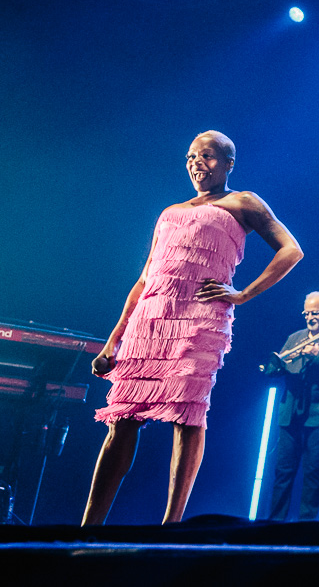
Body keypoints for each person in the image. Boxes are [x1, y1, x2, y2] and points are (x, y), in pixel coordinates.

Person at [83, 131, 303, 525]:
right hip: (150, 321)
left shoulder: (243, 202)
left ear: (229, 163)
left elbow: (291, 249)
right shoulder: (170, 212)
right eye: (190, 157)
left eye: (207, 155)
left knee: (187, 416)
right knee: (122, 420)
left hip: (200, 319)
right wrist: (113, 340)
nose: (197, 162)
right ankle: (89, 527)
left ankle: (172, 526)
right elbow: (145, 278)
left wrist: (243, 294)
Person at [264, 291, 319, 521]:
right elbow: (279, 365)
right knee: (283, 470)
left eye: (315, 313)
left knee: (313, 471)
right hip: (291, 411)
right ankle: (274, 522)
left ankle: (306, 524)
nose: (309, 317)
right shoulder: (295, 338)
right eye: (306, 313)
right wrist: (274, 368)